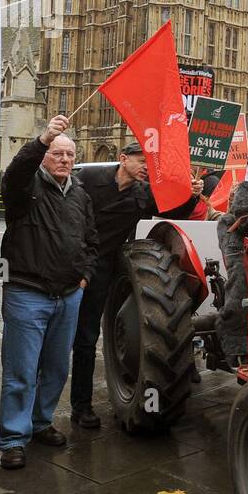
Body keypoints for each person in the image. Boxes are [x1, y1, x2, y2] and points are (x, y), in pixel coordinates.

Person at [69, 142, 201, 428]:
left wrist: (192, 196)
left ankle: (81, 406)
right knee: (54, 337)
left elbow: (173, 213)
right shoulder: (90, 180)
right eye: (142, 162)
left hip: (103, 268)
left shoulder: (143, 193)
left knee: (87, 340)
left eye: (150, 165)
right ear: (122, 159)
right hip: (71, 264)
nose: (146, 168)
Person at [0, 115, 97, 469]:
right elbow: (14, 173)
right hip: (28, 292)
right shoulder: (25, 189)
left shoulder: (80, 195)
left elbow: (90, 241)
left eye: (69, 155)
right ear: (44, 157)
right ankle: (12, 438)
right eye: (57, 153)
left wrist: (84, 277)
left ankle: (40, 423)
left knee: (56, 368)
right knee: (21, 371)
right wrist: (43, 139)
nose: (65, 160)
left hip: (69, 294)